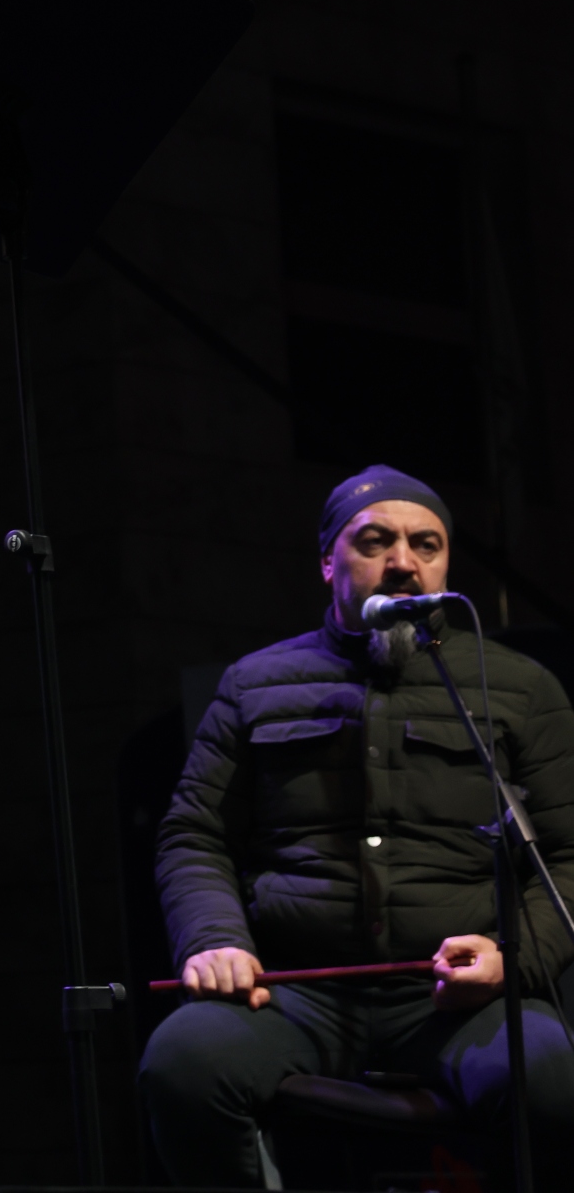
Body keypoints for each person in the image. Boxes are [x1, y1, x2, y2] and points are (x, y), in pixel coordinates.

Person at [141, 463, 574, 1183]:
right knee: (183, 1065)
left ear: (445, 564)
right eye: (375, 541)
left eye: (426, 544)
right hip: (293, 992)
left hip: (459, 1000)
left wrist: (513, 957)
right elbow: (194, 835)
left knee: (555, 1084)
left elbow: (567, 853)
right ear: (326, 561)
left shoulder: (520, 688)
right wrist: (214, 940)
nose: (403, 562)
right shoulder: (254, 684)